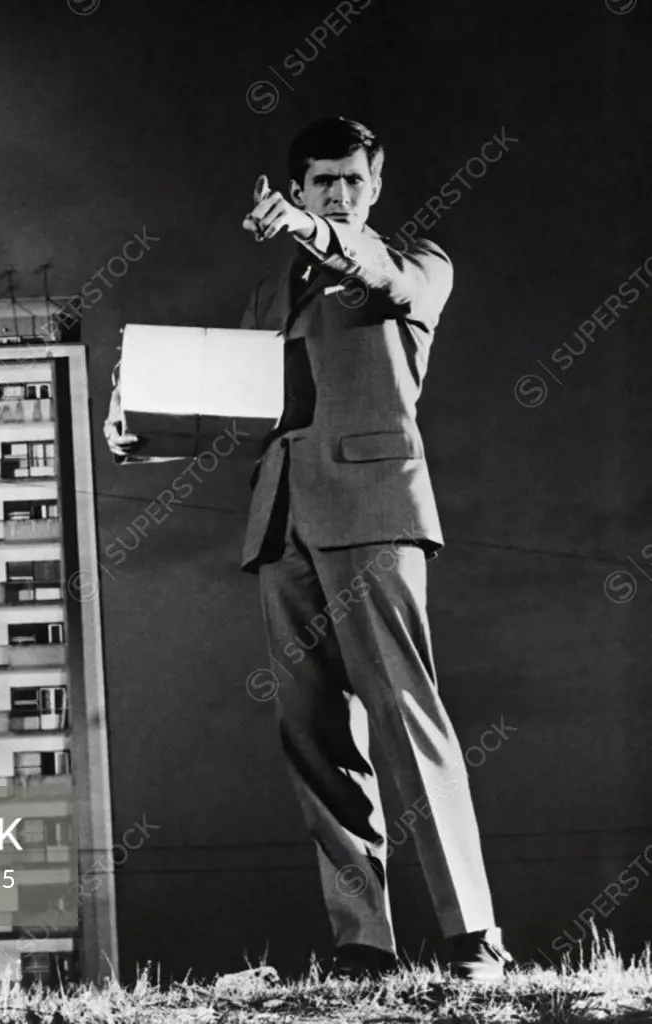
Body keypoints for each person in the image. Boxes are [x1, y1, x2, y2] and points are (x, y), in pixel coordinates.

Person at [103, 117, 512, 982]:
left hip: (373, 512)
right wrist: (138, 435)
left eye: (353, 180)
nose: (339, 193)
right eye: (321, 181)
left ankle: (473, 936)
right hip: (281, 524)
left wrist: (311, 232)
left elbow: (373, 271)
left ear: (375, 187)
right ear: (298, 186)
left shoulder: (416, 264)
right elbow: (243, 410)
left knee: (407, 716)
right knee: (314, 738)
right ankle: (364, 943)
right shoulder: (266, 295)